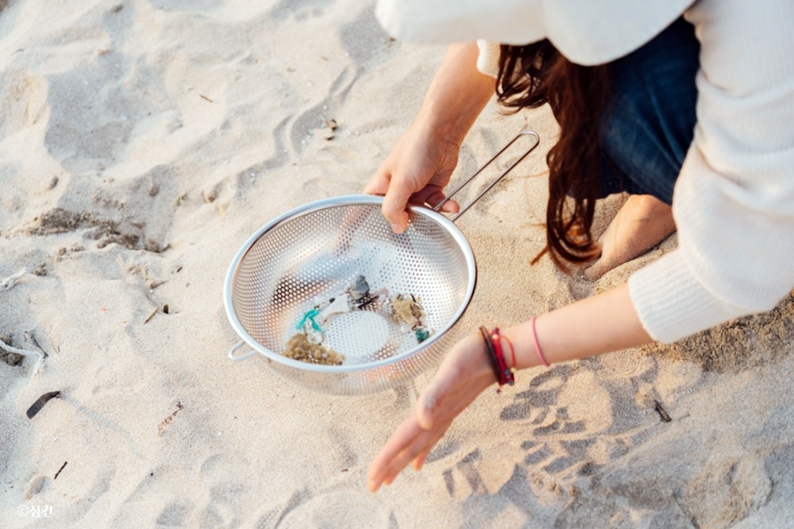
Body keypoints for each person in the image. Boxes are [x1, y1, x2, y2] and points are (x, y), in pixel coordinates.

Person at [364, 0, 794, 493]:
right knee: (562, 61)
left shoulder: (765, 29)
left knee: (619, 96)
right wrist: (438, 130)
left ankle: (704, 175)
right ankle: (673, 187)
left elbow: (744, 264)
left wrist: (500, 354)